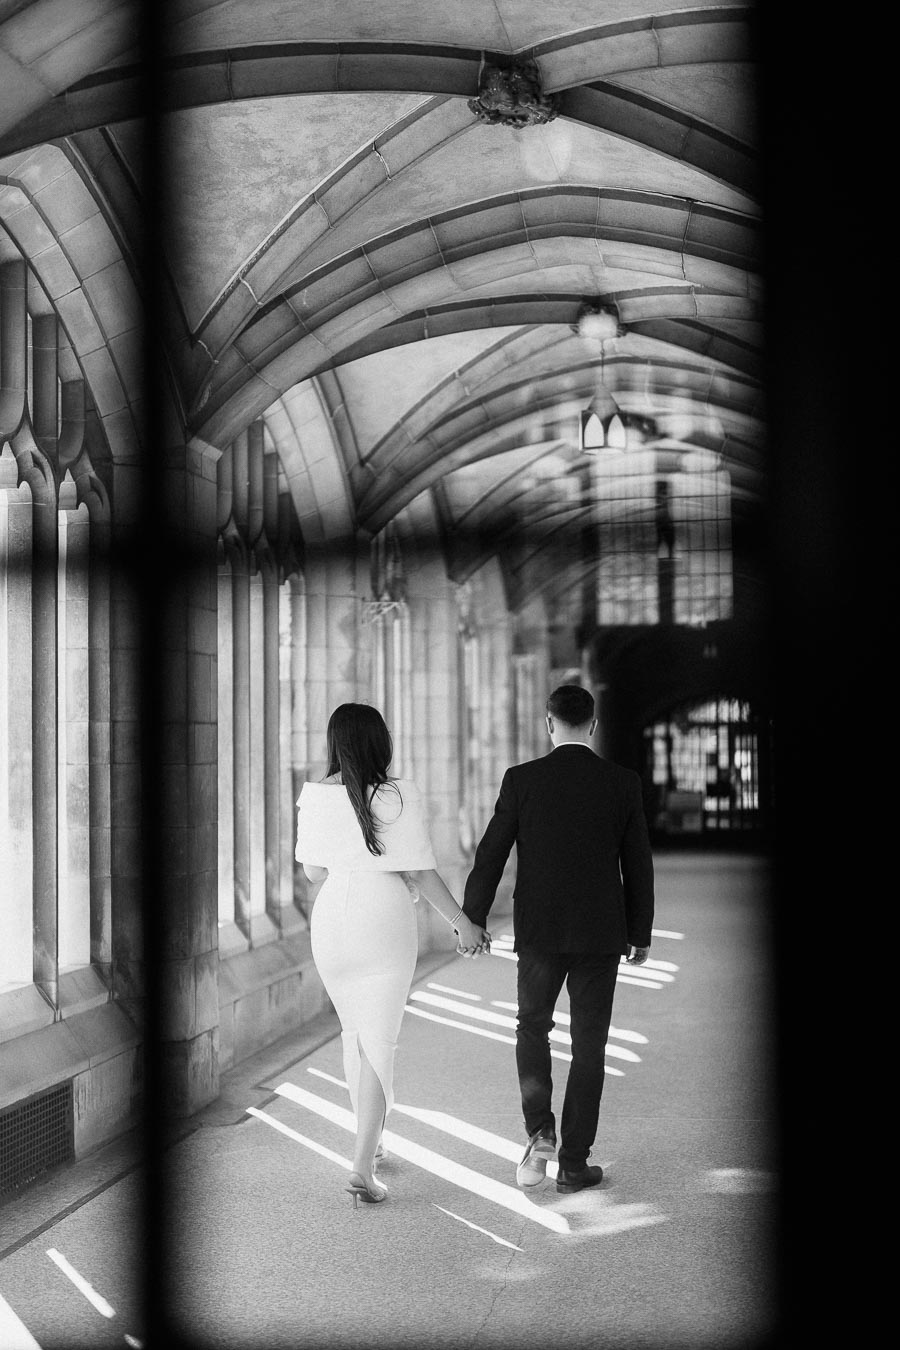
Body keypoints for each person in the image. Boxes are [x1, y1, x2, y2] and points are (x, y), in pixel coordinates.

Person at [462, 684, 654, 1194]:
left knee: (532, 1028)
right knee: (589, 1045)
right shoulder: (622, 782)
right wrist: (641, 932)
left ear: (549, 724)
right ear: (593, 725)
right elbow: (637, 865)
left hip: (540, 932)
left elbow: (491, 852)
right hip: (600, 933)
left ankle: (539, 1130)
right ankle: (574, 1163)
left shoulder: (522, 780)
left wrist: (472, 918)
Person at [295, 702, 487, 1207]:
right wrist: (461, 922)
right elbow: (421, 873)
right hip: (382, 919)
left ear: (334, 743)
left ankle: (372, 1141)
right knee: (379, 1042)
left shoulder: (314, 796)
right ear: (381, 742)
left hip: (332, 918)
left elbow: (314, 873)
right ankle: (361, 1166)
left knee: (354, 1033)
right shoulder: (397, 794)